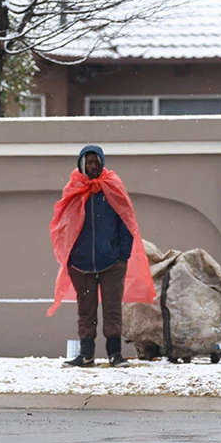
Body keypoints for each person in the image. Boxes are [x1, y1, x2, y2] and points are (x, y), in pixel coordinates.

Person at [48, 145, 156, 366]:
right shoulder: (73, 189)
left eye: (96, 162)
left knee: (112, 308)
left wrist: (122, 256)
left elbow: (126, 222)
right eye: (88, 162)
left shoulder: (113, 187)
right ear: (81, 164)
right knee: (85, 310)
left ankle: (114, 354)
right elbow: (63, 224)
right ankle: (86, 354)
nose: (92, 166)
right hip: (81, 264)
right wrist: (71, 256)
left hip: (112, 263)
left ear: (102, 163)